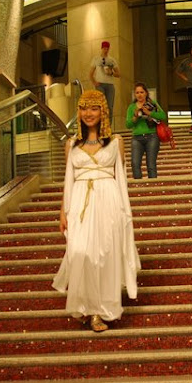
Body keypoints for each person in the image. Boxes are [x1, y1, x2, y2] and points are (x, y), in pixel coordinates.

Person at [52, 90, 140, 333]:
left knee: (104, 256)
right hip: (80, 203)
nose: (88, 113)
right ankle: (85, 304)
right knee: (80, 253)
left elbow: (121, 179)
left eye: (94, 108)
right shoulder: (71, 144)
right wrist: (63, 212)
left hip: (109, 202)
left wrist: (124, 213)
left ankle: (98, 311)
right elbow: (68, 180)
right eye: (83, 108)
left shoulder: (116, 142)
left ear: (103, 111)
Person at [125, 82, 167, 179]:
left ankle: (153, 185)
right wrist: (135, 116)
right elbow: (128, 125)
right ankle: (138, 185)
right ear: (134, 94)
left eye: (142, 92)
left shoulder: (152, 104)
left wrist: (149, 113)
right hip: (137, 138)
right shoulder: (131, 107)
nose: (139, 95)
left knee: (151, 164)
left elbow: (163, 116)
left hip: (152, 136)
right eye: (137, 93)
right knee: (135, 163)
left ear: (146, 93)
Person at [89, 41, 120, 122]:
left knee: (110, 106)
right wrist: (94, 82)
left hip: (110, 85)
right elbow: (90, 73)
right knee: (101, 105)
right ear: (101, 48)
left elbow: (118, 74)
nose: (106, 50)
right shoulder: (96, 59)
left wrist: (111, 73)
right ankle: (100, 123)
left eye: (107, 48)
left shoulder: (111, 60)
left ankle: (108, 124)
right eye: (104, 48)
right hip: (100, 84)